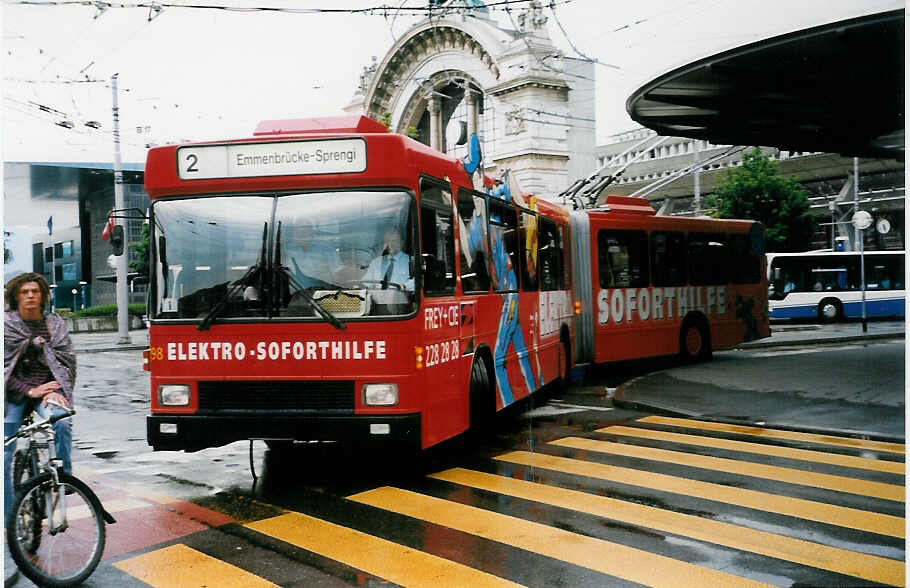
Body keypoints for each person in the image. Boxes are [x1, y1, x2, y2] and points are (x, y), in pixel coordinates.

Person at [4, 272, 76, 518]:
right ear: (16, 296)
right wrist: (29, 390)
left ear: (43, 296)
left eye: (35, 291)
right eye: (24, 292)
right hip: (12, 394)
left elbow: (65, 363)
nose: (30, 296)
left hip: (46, 392)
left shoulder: (54, 325)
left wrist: (57, 390)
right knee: (5, 452)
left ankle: (62, 476)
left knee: (62, 421)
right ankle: (9, 517)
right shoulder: (6, 326)